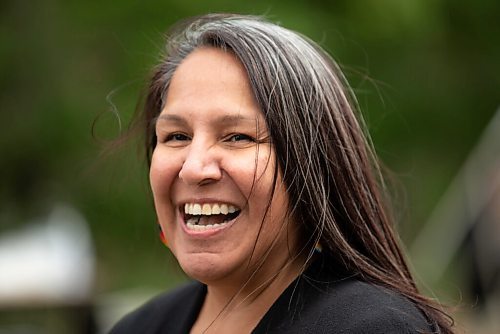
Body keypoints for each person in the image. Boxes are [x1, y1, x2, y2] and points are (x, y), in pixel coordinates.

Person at [110, 14, 454, 333]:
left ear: (312, 165)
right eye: (177, 137)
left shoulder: (372, 327)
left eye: (237, 137)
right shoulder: (140, 326)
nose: (194, 167)